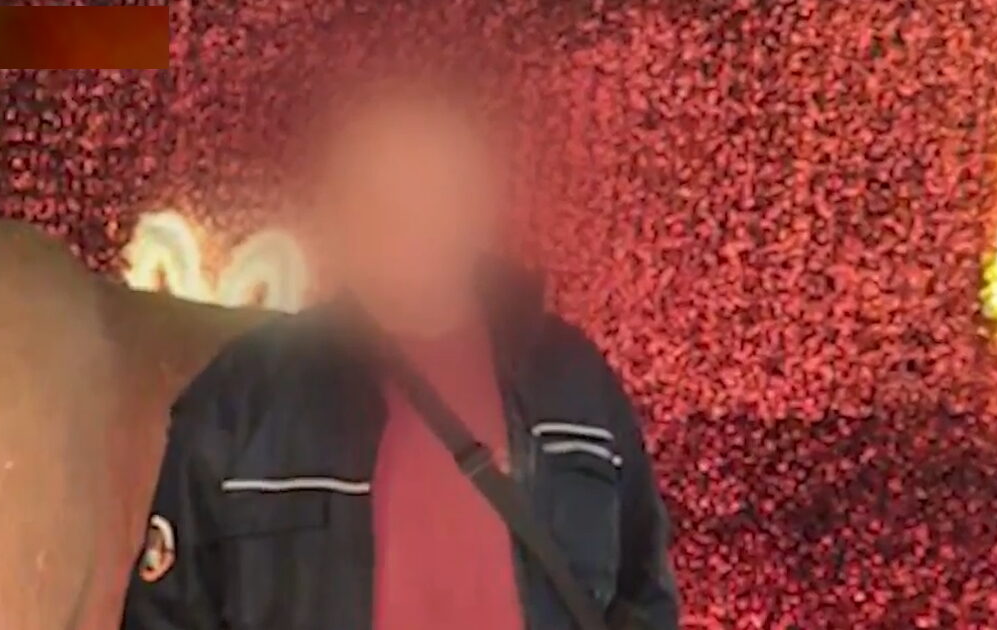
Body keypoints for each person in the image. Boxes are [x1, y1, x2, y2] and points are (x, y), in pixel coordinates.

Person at [119, 72, 680, 630]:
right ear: (343, 213)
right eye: (384, 194)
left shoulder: (574, 381)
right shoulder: (246, 394)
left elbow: (643, 595)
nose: (412, 220)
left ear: (481, 207)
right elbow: (166, 616)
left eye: (436, 190)